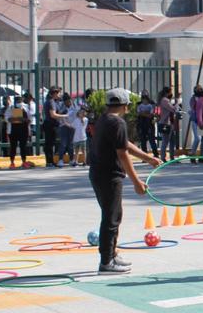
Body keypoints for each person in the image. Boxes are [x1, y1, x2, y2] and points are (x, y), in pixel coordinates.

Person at [89, 88, 160, 274]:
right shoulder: (118, 122)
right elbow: (122, 153)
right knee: (111, 217)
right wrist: (136, 181)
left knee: (113, 214)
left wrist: (148, 158)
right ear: (126, 106)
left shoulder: (105, 119)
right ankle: (106, 261)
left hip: (98, 173)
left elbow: (124, 144)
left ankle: (111, 254)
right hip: (109, 175)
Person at [7, 95, 32, 168]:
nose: (19, 102)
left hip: (23, 130)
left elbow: (29, 118)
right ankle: (12, 162)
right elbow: (7, 118)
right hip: (13, 131)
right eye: (17, 100)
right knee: (13, 147)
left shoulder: (26, 107)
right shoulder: (11, 108)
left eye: (20, 100)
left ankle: (24, 162)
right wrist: (16, 119)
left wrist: (24, 120)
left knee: (23, 147)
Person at [68, 97, 89, 167]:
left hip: (78, 138)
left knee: (77, 150)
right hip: (82, 137)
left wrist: (65, 122)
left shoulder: (78, 120)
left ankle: (77, 161)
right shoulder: (85, 119)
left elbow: (72, 126)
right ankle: (83, 162)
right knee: (82, 150)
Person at [135, 91, 158, 157]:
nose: (144, 99)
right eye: (143, 97)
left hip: (149, 124)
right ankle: (144, 156)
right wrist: (146, 113)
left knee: (152, 140)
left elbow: (151, 115)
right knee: (143, 141)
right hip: (141, 124)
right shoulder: (139, 104)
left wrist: (143, 113)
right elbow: (137, 113)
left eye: (145, 97)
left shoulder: (152, 104)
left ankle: (156, 154)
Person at [55, 93, 74, 166]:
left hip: (72, 127)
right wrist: (66, 123)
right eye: (67, 101)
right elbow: (59, 118)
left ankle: (72, 159)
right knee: (63, 144)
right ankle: (60, 160)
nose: (69, 103)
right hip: (63, 127)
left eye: (69, 101)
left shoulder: (74, 107)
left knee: (71, 144)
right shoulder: (62, 108)